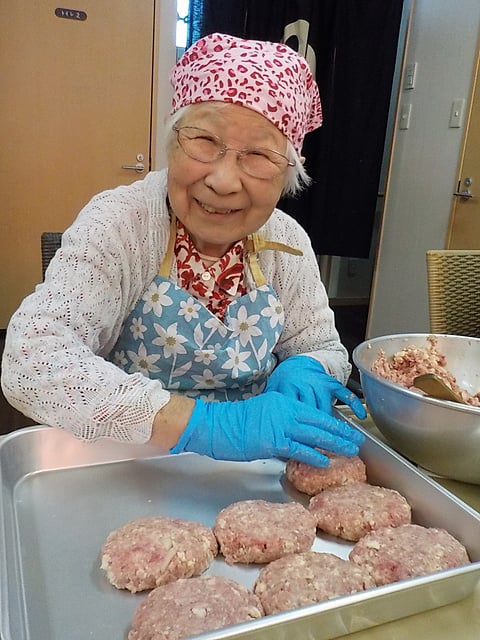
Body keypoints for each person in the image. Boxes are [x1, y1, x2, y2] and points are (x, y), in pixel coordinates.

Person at [1, 32, 366, 467]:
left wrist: (307, 368)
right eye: (205, 142)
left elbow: (322, 345)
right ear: (172, 143)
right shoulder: (122, 222)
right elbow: (34, 358)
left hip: (256, 470)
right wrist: (206, 425)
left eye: (259, 156)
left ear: (288, 174)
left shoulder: (287, 242)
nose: (224, 181)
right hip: (126, 461)